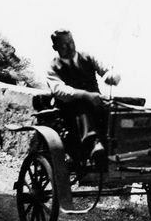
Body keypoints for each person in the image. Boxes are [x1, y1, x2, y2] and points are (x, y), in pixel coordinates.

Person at [45, 29, 121, 166]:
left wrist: (112, 76)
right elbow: (59, 90)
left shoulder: (87, 58)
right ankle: (94, 144)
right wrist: (85, 95)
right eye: (64, 45)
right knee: (82, 107)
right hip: (69, 109)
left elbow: (105, 69)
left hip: (96, 103)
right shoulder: (53, 67)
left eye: (71, 42)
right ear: (55, 47)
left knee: (118, 109)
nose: (70, 48)